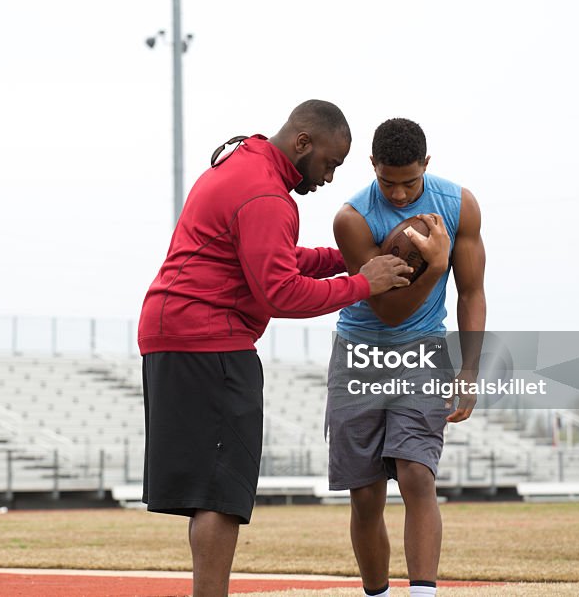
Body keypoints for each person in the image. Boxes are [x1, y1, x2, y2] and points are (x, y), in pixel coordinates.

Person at [138, 100, 414, 597]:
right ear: (303, 143)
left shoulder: (242, 162)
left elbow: (276, 258)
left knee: (207, 492)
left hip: (172, 334)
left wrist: (345, 258)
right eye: (330, 163)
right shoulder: (267, 194)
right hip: (211, 342)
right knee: (221, 496)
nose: (329, 178)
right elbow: (279, 291)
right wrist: (363, 283)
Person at [326, 117, 487, 597]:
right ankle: (376, 594)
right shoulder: (351, 218)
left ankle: (423, 594)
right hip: (358, 352)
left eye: (409, 182)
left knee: (417, 474)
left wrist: (469, 372)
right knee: (366, 494)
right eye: (387, 182)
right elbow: (389, 310)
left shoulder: (459, 204)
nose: (398, 195)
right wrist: (434, 264)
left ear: (427, 165)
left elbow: (473, 291)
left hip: (422, 352)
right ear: (372, 165)